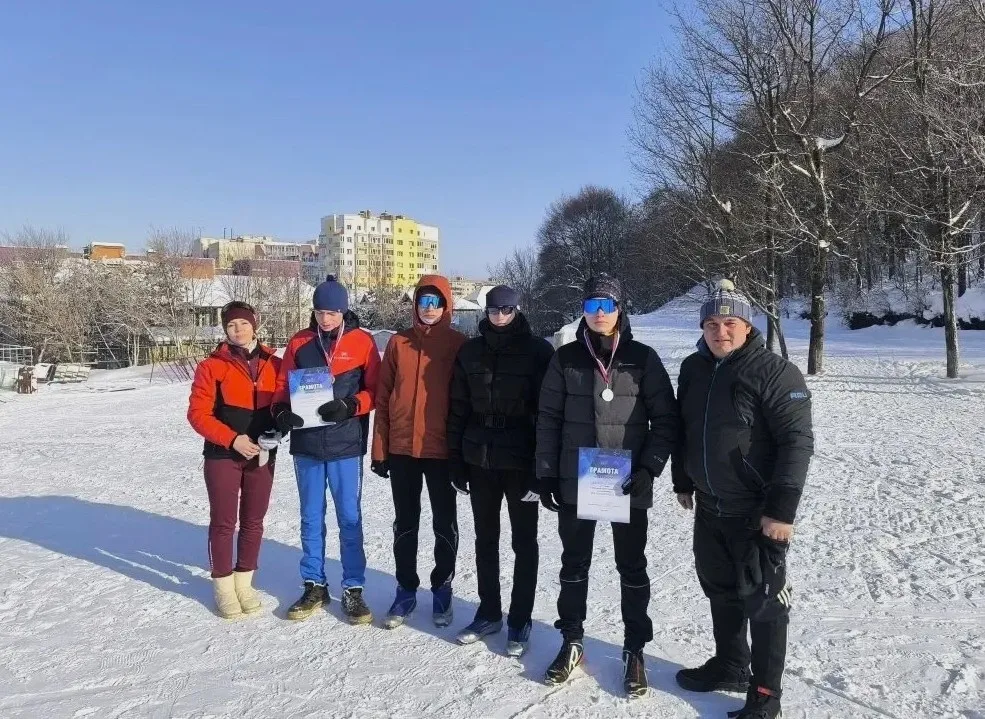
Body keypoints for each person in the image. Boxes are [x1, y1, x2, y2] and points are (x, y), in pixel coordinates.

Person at [672, 280, 813, 719]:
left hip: (757, 514)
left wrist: (781, 511)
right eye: (711, 323)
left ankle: (766, 697)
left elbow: (797, 442)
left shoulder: (774, 372)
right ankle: (732, 664)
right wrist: (683, 480)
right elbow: (685, 429)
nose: (721, 332)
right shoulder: (694, 369)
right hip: (711, 508)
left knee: (765, 603)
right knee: (720, 590)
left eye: (730, 322)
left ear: (747, 325)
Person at [535, 274, 679, 698]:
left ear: (620, 310)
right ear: (583, 309)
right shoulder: (564, 360)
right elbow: (548, 419)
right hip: (577, 482)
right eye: (592, 305)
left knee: (631, 567)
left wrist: (650, 468)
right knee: (573, 564)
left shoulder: (643, 358)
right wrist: (546, 473)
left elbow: (665, 421)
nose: (599, 314)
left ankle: (635, 649)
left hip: (626, 484)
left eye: (607, 305)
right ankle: (572, 640)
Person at [446, 285, 555, 657]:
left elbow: (547, 414)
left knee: (524, 542)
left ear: (517, 310)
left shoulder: (538, 351)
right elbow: (457, 407)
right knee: (484, 539)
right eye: (493, 311)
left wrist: (543, 470)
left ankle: (520, 619)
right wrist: (456, 459)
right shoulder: (470, 350)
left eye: (506, 310)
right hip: (480, 458)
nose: (499, 317)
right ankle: (489, 610)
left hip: (521, 460)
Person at [271, 275, 381, 624]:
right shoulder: (299, 342)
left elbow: (376, 391)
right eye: (319, 312)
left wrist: (350, 406)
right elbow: (279, 387)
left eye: (332, 312)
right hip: (307, 444)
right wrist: (280, 411)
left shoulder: (362, 342)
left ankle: (353, 588)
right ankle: (314, 583)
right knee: (310, 517)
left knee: (349, 517)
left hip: (346, 445)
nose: (325, 319)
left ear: (344, 310)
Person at [371, 275, 466, 629]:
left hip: (441, 450)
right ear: (415, 305)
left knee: (444, 523)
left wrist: (462, 454)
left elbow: (465, 401)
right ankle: (405, 588)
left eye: (435, 302)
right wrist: (379, 448)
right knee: (405, 523)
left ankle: (442, 587)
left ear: (446, 306)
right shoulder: (398, 343)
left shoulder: (458, 344)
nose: (428, 308)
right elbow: (383, 397)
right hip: (402, 449)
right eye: (423, 301)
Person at [187, 301, 281, 619]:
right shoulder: (212, 366)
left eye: (242, 323)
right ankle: (224, 588)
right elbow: (197, 414)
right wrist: (232, 439)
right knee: (224, 522)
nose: (237, 330)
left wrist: (277, 431)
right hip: (223, 454)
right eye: (231, 325)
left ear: (255, 325)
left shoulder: (275, 364)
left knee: (254, 521)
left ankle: (244, 582)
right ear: (225, 330)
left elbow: (284, 408)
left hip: (262, 454)